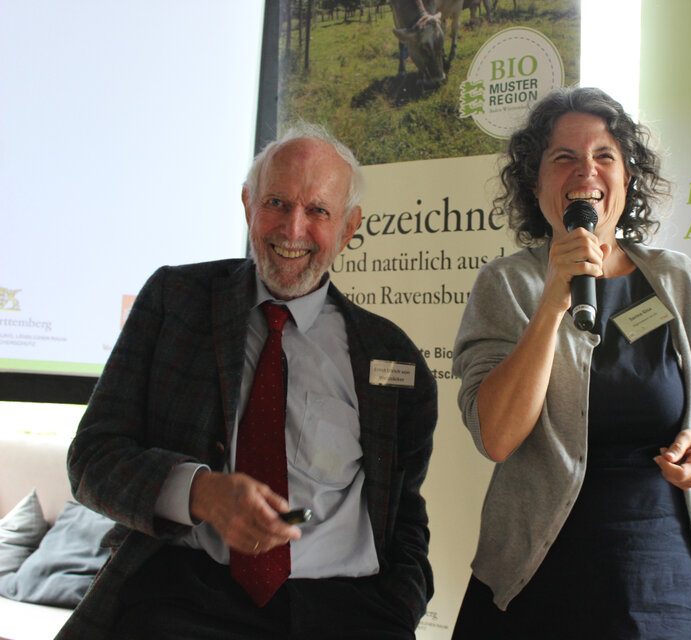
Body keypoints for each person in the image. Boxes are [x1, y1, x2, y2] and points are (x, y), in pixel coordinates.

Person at [57, 123, 437, 640]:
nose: (293, 229)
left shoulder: (392, 357)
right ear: (247, 205)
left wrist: (399, 607)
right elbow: (91, 460)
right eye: (277, 202)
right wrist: (199, 493)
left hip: (347, 610)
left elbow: (404, 511)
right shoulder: (176, 300)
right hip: (187, 599)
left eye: (318, 211)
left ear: (349, 228)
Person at [450, 87, 691, 639]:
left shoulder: (677, 279)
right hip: (545, 576)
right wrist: (553, 300)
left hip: (669, 569)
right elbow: (496, 436)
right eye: (563, 157)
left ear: (628, 175)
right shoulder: (506, 285)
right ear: (536, 180)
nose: (584, 171)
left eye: (604, 156)